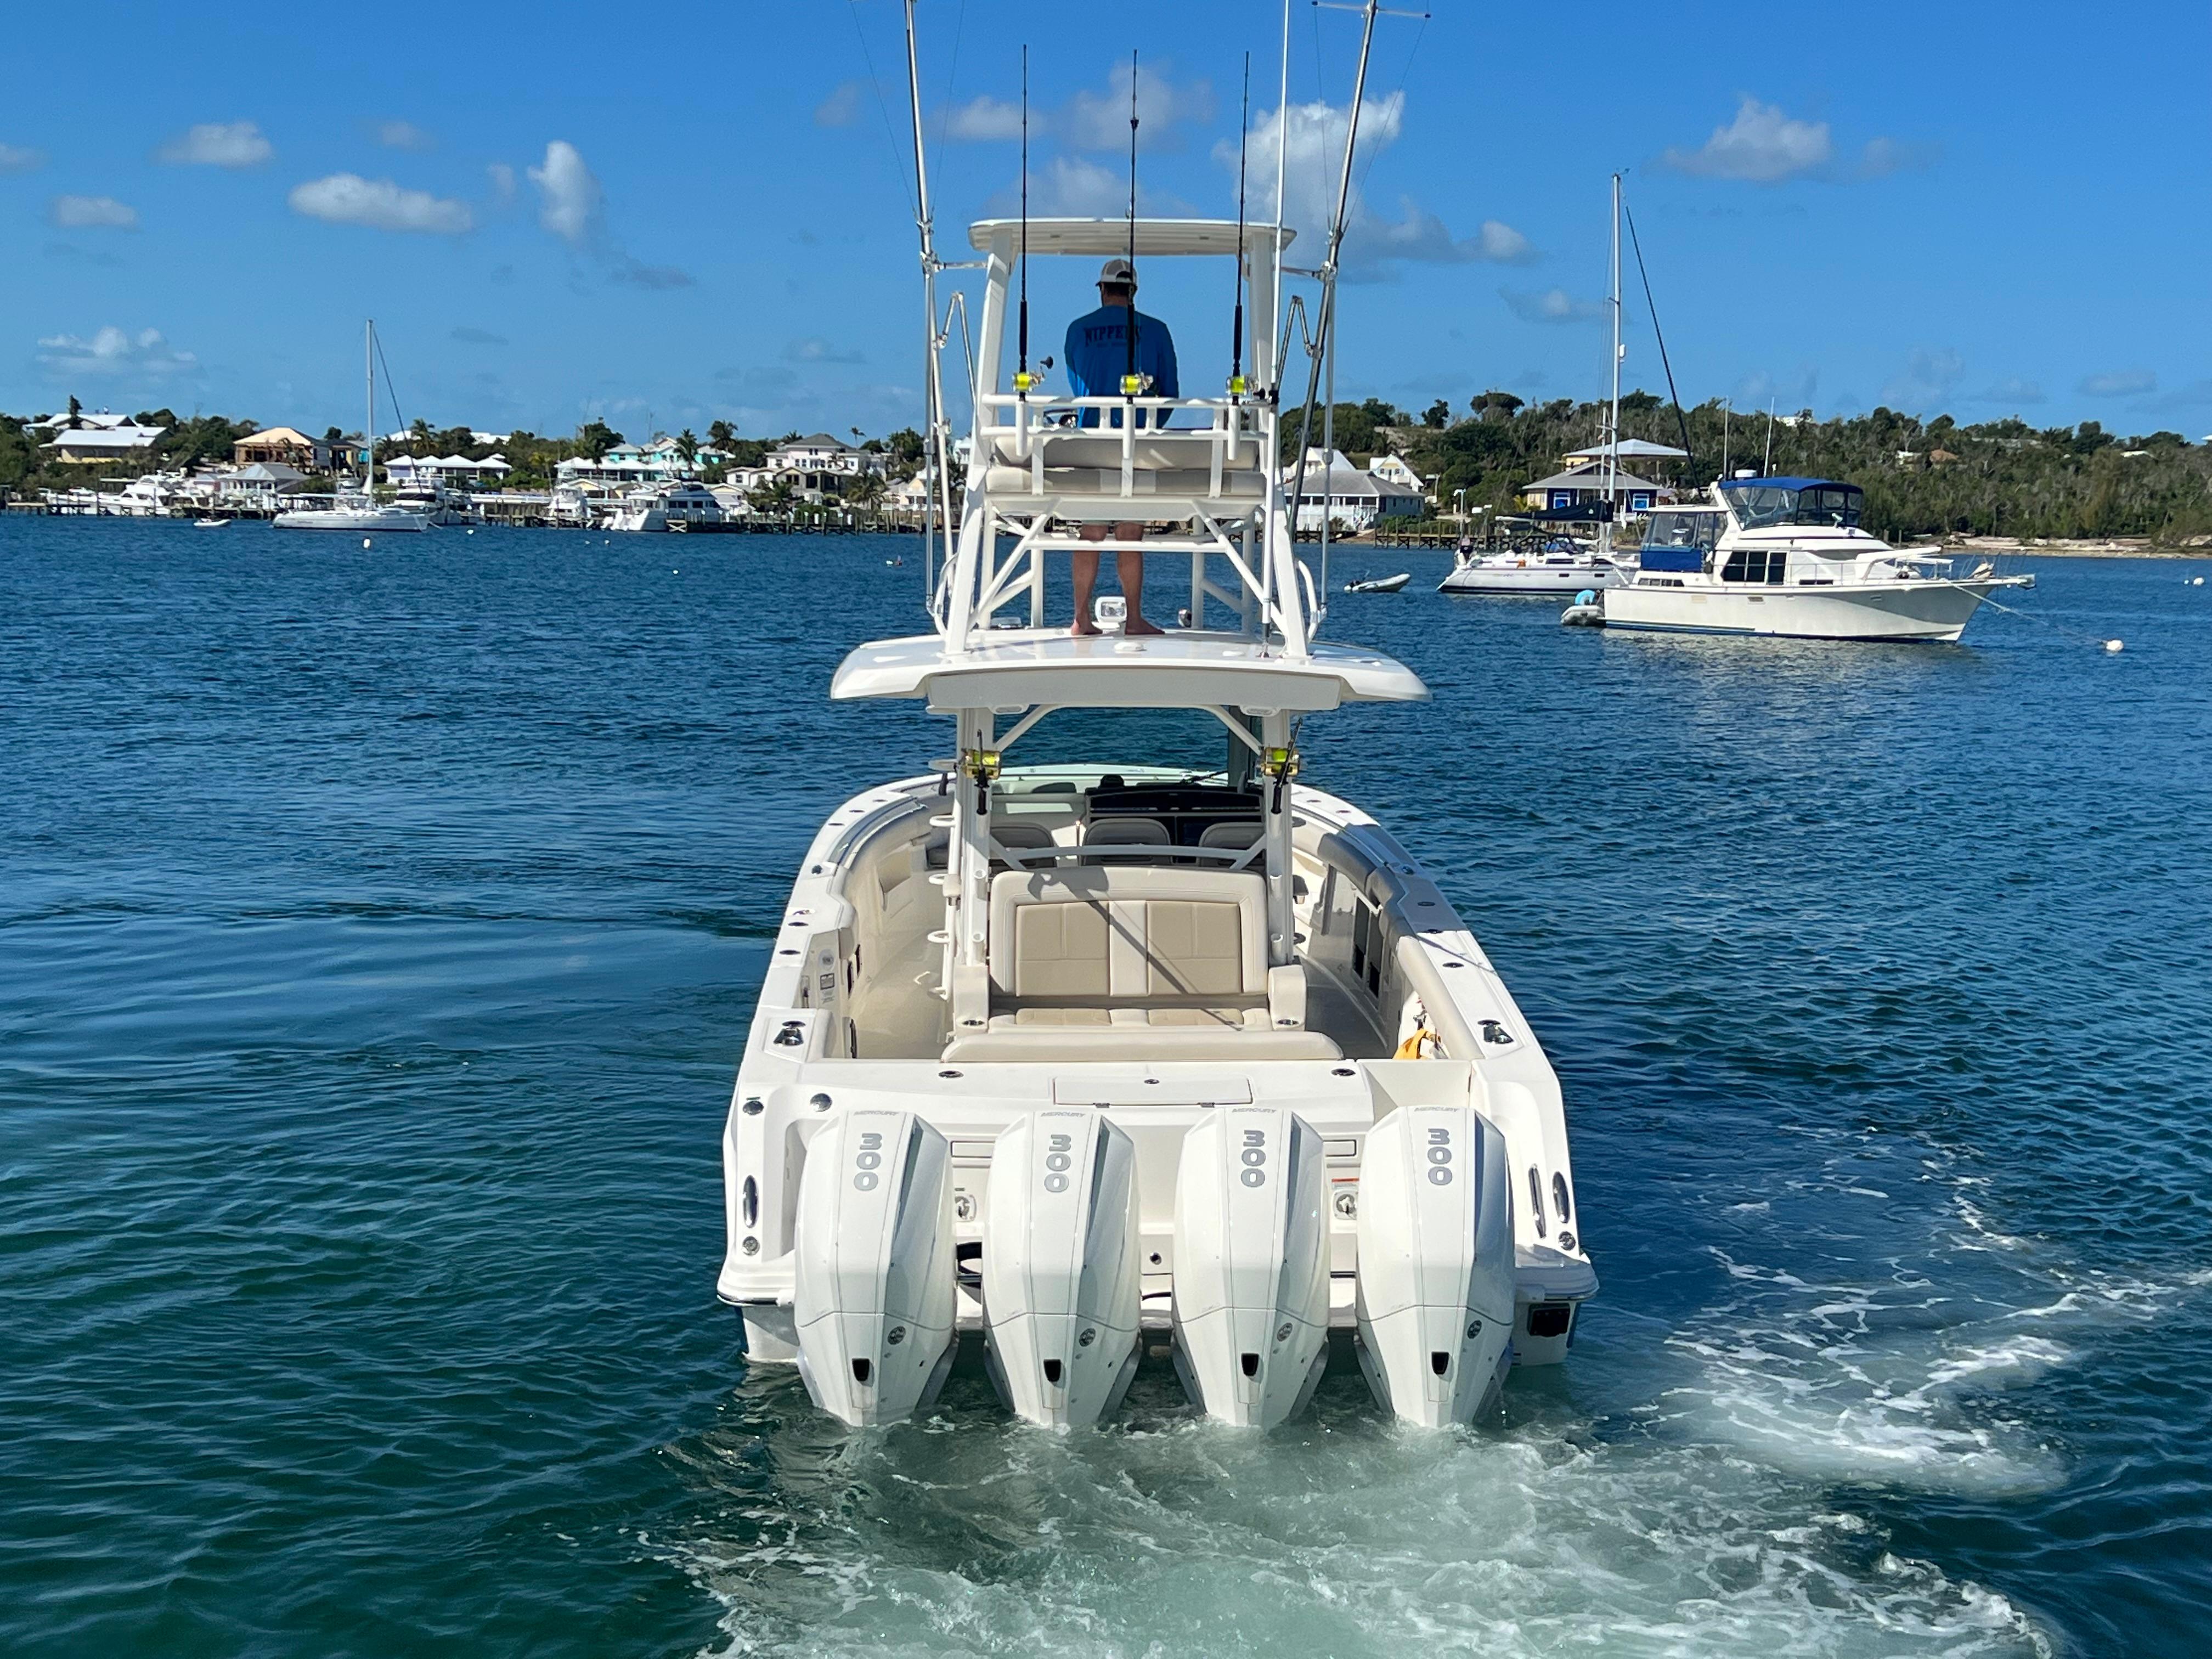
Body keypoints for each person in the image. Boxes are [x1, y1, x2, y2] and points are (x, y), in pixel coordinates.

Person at [1063, 257, 1178, 636]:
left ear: (1102, 289)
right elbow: (1170, 395)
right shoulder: (1158, 331)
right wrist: (1147, 431)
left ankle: (1081, 619)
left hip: (1091, 445)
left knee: (1091, 533)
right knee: (1130, 532)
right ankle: (1134, 619)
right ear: (1134, 291)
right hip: (1137, 446)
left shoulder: (1077, 330)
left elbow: (1078, 387)